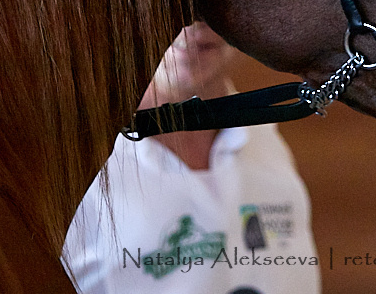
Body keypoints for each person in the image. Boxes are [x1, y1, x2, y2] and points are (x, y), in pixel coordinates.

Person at [63, 22, 321, 294]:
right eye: (168, 1)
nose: (192, 25)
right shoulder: (83, 158)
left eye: (203, 2)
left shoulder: (263, 136)